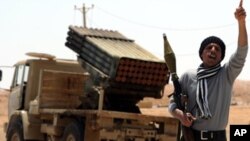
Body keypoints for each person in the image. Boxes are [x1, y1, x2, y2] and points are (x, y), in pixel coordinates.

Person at [168, 0, 248, 141]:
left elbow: (241, 52)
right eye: (209, 48)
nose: (213, 50)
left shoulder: (226, 74)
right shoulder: (188, 76)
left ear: (221, 57)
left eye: (217, 49)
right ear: (201, 54)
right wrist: (181, 116)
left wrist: (241, 22)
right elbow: (172, 105)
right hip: (191, 137)